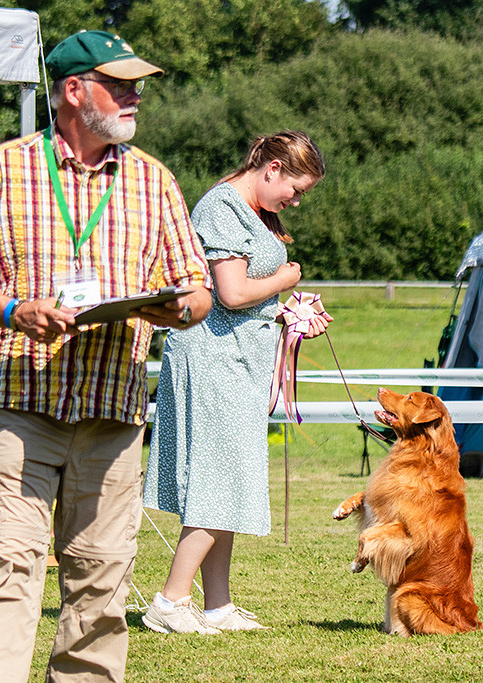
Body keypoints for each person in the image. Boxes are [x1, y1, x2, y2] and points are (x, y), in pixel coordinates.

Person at [0, 30, 212, 682]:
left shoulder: (153, 180)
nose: (135, 95)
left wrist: (177, 309)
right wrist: (12, 310)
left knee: (102, 572)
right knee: (9, 561)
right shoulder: (6, 167)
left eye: (138, 84)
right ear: (75, 91)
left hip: (111, 407)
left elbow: (196, 290)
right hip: (17, 401)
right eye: (120, 84)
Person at [141, 131, 331, 634]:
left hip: (239, 361)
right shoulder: (222, 207)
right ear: (271, 168)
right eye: (296, 188)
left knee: (228, 480)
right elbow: (232, 291)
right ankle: (169, 601)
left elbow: (251, 294)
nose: (296, 200)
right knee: (218, 481)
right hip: (212, 359)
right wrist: (286, 280)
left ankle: (217, 605)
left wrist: (287, 307)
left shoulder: (252, 211)